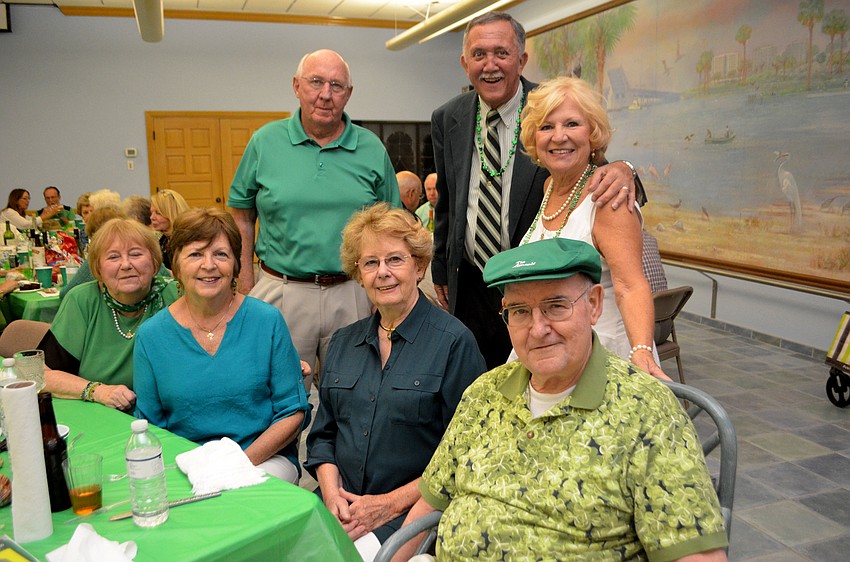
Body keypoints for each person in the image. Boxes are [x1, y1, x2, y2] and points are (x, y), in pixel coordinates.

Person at [393, 238, 728, 562]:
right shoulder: (484, 394)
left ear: (594, 304)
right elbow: (430, 502)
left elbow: (695, 554)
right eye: (520, 311)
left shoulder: (648, 411)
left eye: (555, 306)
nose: (538, 329)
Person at [430, 12, 645, 370]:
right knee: (475, 381)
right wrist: (441, 267)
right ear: (464, 62)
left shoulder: (549, 106)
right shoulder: (446, 117)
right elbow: (447, 202)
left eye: (501, 52)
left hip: (537, 285)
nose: (490, 65)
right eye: (479, 54)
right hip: (469, 282)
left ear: (521, 59)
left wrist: (628, 169)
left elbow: (596, 166)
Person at [305, 203, 485, 558]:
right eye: (370, 263)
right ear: (358, 274)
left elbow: (466, 457)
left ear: (419, 267)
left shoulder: (453, 343)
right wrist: (330, 495)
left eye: (395, 260)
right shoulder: (343, 342)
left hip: (407, 513)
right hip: (336, 506)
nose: (382, 273)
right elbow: (323, 435)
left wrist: (386, 504)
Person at [228, 49, 400, 388]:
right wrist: (245, 278)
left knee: (356, 392)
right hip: (282, 289)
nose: (325, 94)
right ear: (296, 86)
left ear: (348, 94)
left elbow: (392, 224)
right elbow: (241, 213)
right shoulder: (265, 142)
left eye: (337, 85)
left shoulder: (371, 148)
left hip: (352, 291)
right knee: (278, 395)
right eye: (316, 82)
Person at [134, 208, 310, 483]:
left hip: (261, 459)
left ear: (235, 265)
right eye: (195, 254)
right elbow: (151, 426)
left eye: (221, 254)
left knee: (246, 503)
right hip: (186, 463)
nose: (209, 265)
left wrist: (239, 464)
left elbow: (292, 412)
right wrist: (198, 469)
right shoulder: (152, 336)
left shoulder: (267, 321)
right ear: (175, 264)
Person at [518, 76, 665, 378]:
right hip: (551, 347)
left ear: (593, 134)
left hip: (602, 356)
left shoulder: (608, 198)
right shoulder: (548, 188)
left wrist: (641, 351)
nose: (559, 136)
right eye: (547, 127)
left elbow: (630, 285)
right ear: (535, 138)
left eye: (572, 124)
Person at [39, 218, 178, 411]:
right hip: (101, 415)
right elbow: (42, 375)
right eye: (113, 257)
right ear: (98, 269)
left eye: (136, 254)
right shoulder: (82, 300)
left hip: (169, 417)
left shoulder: (177, 294)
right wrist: (97, 391)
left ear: (154, 263)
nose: (126, 264)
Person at [150, 189, 190, 270]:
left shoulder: (184, 242)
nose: (152, 217)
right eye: (151, 213)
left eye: (158, 213)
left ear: (171, 214)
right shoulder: (164, 239)